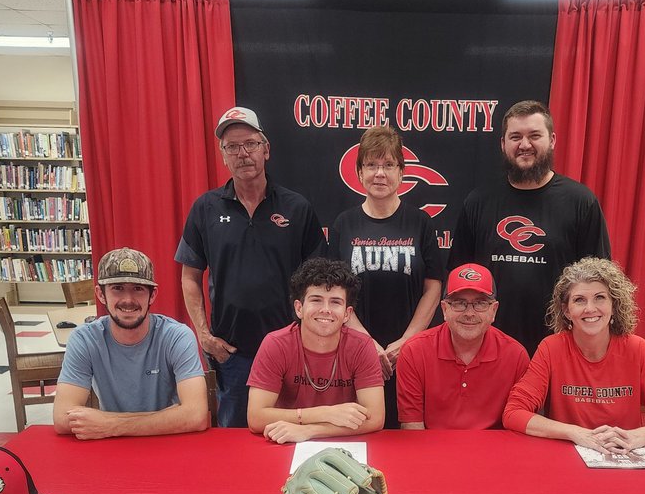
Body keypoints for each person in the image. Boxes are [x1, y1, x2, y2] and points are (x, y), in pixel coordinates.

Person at [176, 106, 326, 428]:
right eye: (232, 147)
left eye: (250, 144)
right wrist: (203, 334)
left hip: (292, 352)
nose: (242, 154)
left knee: (293, 436)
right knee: (236, 447)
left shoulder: (297, 208)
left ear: (266, 149)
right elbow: (189, 275)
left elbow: (319, 281)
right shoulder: (205, 208)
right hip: (233, 354)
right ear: (223, 156)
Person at [448, 99, 611, 356]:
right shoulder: (478, 201)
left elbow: (599, 283)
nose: (525, 145)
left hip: (558, 347)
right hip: (488, 347)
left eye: (535, 135)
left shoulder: (581, 202)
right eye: (515, 137)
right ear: (503, 144)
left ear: (552, 140)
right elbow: (459, 278)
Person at [503, 258, 645, 453]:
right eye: (579, 300)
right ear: (566, 311)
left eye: (600, 297)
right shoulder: (551, 348)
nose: (590, 308)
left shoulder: (637, 348)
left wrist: (641, 435)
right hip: (567, 456)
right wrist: (574, 433)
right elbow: (513, 413)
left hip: (624, 455)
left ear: (614, 305)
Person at [329, 126, 444, 428]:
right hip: (355, 351)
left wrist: (407, 341)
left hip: (410, 353)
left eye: (389, 164)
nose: (380, 173)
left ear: (402, 172)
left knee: (409, 437)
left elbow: (433, 286)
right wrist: (368, 345)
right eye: (371, 164)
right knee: (362, 430)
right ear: (359, 171)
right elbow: (336, 292)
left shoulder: (420, 222)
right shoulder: (344, 223)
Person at [54, 248, 209, 440]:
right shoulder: (84, 339)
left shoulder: (177, 336)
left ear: (152, 295)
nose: (128, 300)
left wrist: (110, 425)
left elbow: (196, 415)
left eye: (138, 289)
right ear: (101, 294)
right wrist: (171, 416)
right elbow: (62, 418)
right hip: (116, 446)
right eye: (117, 288)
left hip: (168, 442)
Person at [247, 258, 384, 444]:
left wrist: (310, 431)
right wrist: (326, 413)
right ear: (299, 308)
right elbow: (256, 418)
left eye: (335, 302)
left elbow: (375, 418)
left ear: (347, 314)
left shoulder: (361, 346)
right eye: (316, 300)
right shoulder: (276, 344)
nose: (326, 310)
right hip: (285, 441)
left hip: (344, 443)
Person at [396, 263, 529, 430]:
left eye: (480, 303)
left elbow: (520, 426)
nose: (469, 313)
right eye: (459, 303)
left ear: (494, 310)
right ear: (444, 309)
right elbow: (412, 428)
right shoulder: (414, 352)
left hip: (495, 453)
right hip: (432, 452)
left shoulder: (515, 355)